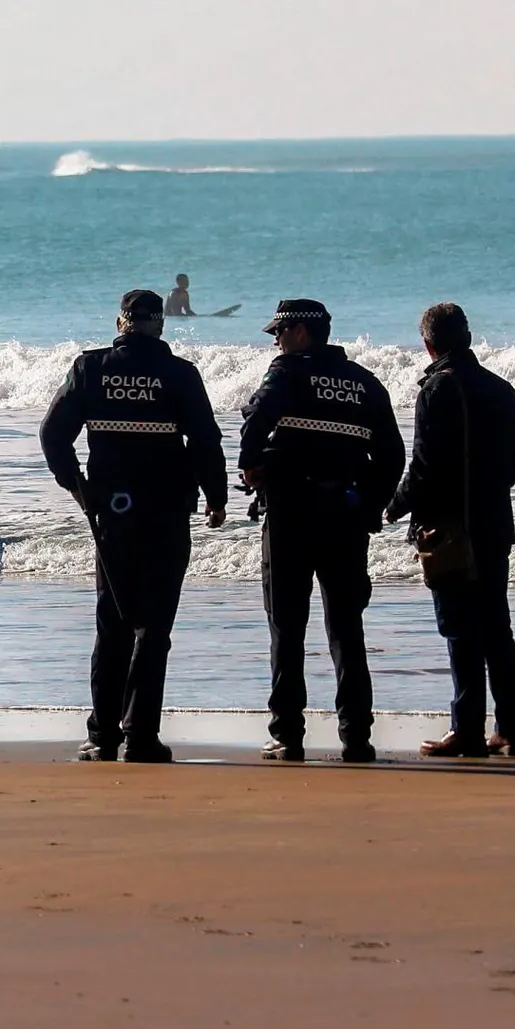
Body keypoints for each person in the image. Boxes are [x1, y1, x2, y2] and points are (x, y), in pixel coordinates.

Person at [41, 289, 228, 763]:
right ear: (159, 325)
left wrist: (75, 485)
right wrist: (216, 498)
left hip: (112, 513)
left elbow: (51, 432)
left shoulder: (91, 369)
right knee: (155, 627)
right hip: (166, 512)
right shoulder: (180, 374)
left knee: (113, 625)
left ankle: (102, 736)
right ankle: (141, 735)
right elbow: (206, 440)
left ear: (120, 322)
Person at [238, 299, 403, 763]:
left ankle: (287, 734)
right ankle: (356, 736)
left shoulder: (286, 373)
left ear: (302, 334)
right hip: (346, 519)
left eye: (280, 331)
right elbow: (393, 458)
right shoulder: (366, 384)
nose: (275, 339)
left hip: (290, 514)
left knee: (286, 628)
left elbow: (254, 424)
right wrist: (369, 506)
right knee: (347, 629)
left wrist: (252, 468)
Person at [387, 303, 515, 758]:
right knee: (497, 629)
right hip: (494, 526)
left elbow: (424, 467)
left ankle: (466, 729)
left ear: (428, 344)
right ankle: (510, 729)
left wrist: (391, 508)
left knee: (459, 630)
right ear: (467, 337)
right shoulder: (501, 388)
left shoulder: (436, 388)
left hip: (448, 531)